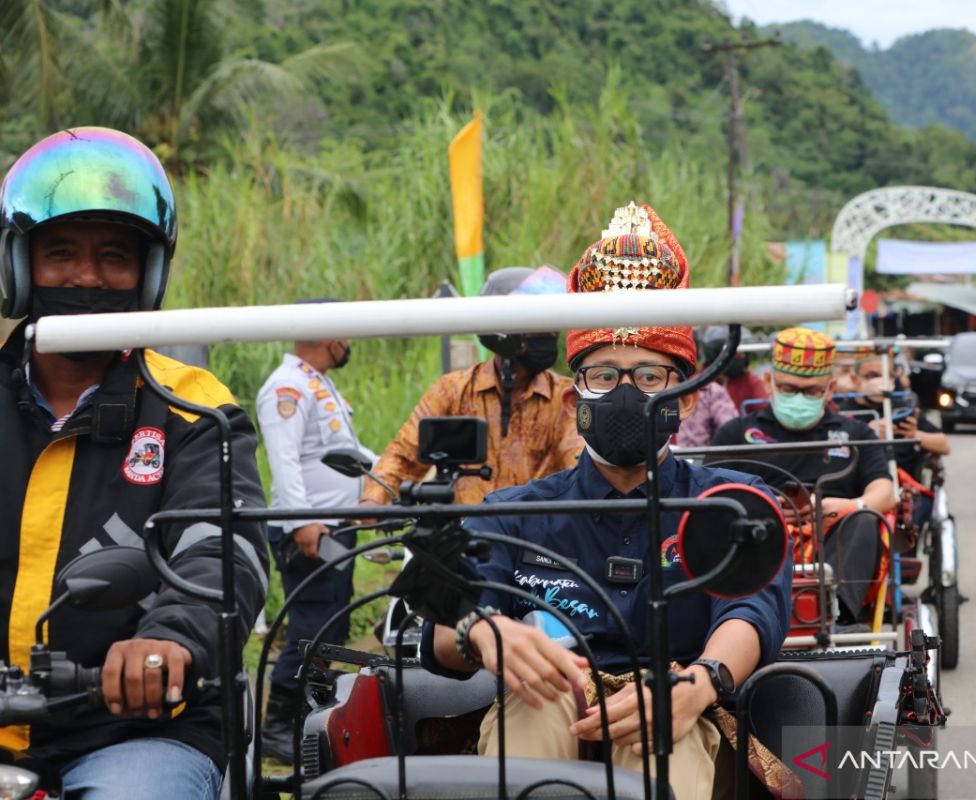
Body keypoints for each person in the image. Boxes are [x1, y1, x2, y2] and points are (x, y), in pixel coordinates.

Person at [421, 203, 791, 800]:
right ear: (574, 400)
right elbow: (446, 623)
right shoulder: (512, 512)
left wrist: (697, 684)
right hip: (546, 705)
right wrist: (485, 632)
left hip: (680, 708)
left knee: (662, 737)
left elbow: (750, 611)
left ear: (688, 399)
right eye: (603, 376)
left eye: (649, 377)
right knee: (533, 711)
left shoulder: (730, 506)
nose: (626, 393)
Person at [0, 127, 268, 797]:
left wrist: (171, 641)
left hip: (139, 733)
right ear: (18, 265)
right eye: (60, 253)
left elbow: (224, 549)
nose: (87, 277)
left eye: (114, 257)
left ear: (147, 275)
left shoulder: (194, 409)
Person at [255, 305, 378, 763]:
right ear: (331, 339)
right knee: (311, 626)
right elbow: (284, 460)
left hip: (334, 526)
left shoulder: (316, 383)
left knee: (332, 625)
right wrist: (302, 520)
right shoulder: (286, 387)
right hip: (310, 529)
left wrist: (393, 473)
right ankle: (276, 730)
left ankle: (312, 718)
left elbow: (348, 453)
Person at [713, 328, 897, 621]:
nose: (799, 398)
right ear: (769, 382)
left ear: (830, 389)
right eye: (788, 389)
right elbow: (707, 497)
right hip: (757, 537)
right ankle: (743, 614)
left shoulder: (855, 435)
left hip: (832, 537)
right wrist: (759, 505)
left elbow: (885, 492)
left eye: (811, 391)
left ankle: (835, 613)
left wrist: (848, 507)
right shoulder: (736, 434)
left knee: (863, 519)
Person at [362, 267, 582, 508]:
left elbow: (577, 459)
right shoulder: (453, 391)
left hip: (535, 536)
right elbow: (403, 456)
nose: (550, 335)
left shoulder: (566, 398)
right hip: (465, 536)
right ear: (503, 332)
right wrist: (373, 502)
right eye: (538, 327)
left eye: (552, 328)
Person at [849, 347, 950, 526]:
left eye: (887, 375)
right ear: (855, 380)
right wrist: (866, 433)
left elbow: (944, 445)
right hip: (857, 491)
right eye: (872, 376)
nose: (880, 381)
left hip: (904, 490)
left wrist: (914, 434)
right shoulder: (843, 412)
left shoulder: (904, 409)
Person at [701, 326, 769, 415]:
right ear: (716, 355)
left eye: (743, 353)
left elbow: (763, 413)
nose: (742, 357)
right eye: (736, 354)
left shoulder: (751, 382)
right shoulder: (700, 384)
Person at [675, 380, 738, 447]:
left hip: (709, 453)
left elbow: (730, 431)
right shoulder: (671, 389)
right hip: (677, 451)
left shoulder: (711, 390)